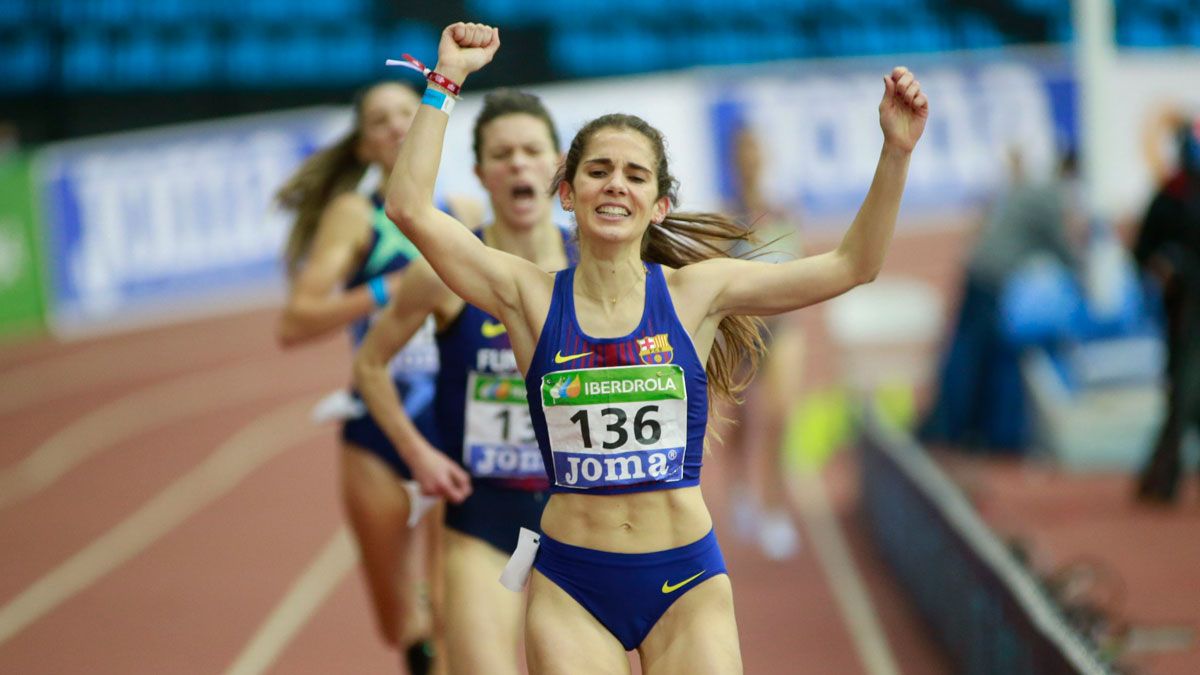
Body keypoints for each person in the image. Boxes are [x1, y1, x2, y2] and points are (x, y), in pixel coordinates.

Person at [387, 22, 927, 673]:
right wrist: (445, 79)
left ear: (660, 203)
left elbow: (851, 265)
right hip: (572, 586)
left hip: (684, 581)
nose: (616, 183)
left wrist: (895, 151)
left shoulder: (697, 292)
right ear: (568, 193)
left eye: (635, 175)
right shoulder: (526, 295)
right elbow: (410, 206)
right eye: (598, 170)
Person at [353, 88, 573, 674]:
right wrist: (417, 453)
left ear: (558, 165)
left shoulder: (597, 270)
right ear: (481, 173)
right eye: (502, 154)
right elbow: (369, 365)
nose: (518, 164)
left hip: (580, 513)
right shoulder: (443, 275)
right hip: (483, 517)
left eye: (532, 150)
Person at [275, 80, 477, 673]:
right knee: (398, 622)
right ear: (363, 147)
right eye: (379, 121)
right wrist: (394, 286)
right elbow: (296, 321)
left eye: (405, 114)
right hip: (378, 433)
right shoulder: (352, 214)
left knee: (450, 607)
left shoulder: (463, 212)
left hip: (450, 423)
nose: (395, 126)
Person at [918, 148, 1081, 453]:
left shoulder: (1033, 188)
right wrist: (1086, 275)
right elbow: (1061, 247)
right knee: (973, 358)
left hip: (980, 270)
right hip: (990, 278)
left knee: (971, 355)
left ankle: (961, 429)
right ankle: (959, 430)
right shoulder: (1051, 197)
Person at [718, 124, 806, 561]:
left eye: (757, 151)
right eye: (744, 152)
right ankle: (740, 493)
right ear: (736, 161)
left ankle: (774, 508)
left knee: (780, 418)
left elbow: (799, 266)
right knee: (738, 421)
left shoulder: (783, 210)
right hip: (741, 331)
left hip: (782, 329)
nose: (751, 160)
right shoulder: (723, 216)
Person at [1133, 116, 1200, 504]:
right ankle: (1161, 479)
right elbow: (1142, 251)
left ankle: (1160, 478)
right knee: (1182, 391)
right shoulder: (1170, 196)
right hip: (1183, 311)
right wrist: (1161, 267)